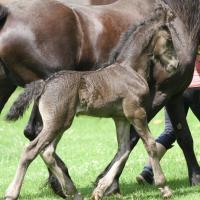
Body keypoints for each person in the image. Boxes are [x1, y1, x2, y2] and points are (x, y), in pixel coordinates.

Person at [136, 51, 200, 185]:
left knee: (170, 131)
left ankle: (148, 171)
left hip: (174, 88)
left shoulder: (173, 36)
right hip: (196, 86)